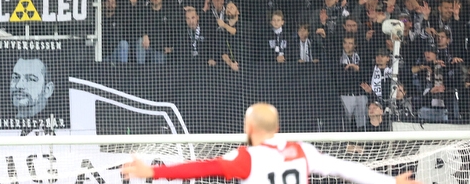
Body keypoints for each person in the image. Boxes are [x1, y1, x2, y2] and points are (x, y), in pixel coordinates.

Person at [122, 103, 422, 184]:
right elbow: (346, 169)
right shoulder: (302, 150)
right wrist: (391, 181)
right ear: (277, 128)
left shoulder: (245, 158)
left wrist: (153, 173)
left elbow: (200, 168)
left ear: (249, 128)